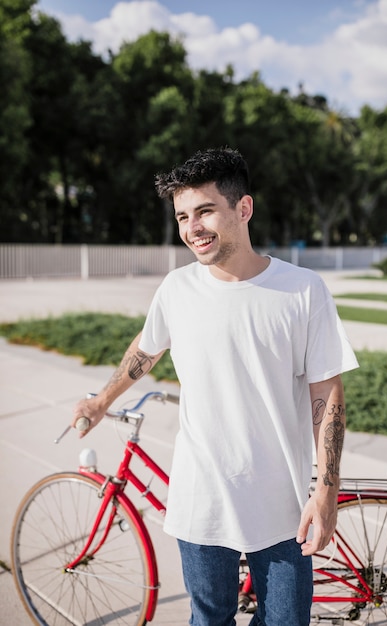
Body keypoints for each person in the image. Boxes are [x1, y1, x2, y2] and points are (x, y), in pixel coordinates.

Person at [73, 147, 359, 626]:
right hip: (200, 502)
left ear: (243, 209)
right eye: (183, 216)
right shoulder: (177, 288)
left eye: (205, 211)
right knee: (209, 620)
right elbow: (146, 349)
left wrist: (326, 491)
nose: (192, 228)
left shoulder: (303, 290)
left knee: (287, 621)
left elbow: (327, 394)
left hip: (282, 507)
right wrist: (101, 400)